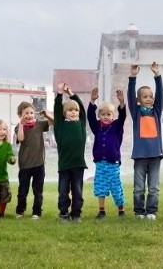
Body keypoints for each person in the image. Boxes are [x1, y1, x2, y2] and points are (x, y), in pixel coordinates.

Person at [127, 62, 163, 220]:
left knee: (154, 187)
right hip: (140, 156)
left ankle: (151, 211)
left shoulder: (156, 111)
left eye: (151, 97)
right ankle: (139, 211)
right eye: (145, 97)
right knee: (138, 188)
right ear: (138, 99)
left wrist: (157, 75)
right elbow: (129, 96)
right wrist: (132, 77)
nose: (149, 99)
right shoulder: (137, 113)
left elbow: (160, 95)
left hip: (155, 155)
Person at [88, 87, 127, 219]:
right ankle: (101, 211)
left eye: (109, 114)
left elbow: (122, 117)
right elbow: (90, 117)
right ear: (99, 115)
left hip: (113, 163)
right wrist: (92, 101)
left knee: (116, 187)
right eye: (103, 114)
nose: (106, 117)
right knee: (100, 187)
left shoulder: (116, 126)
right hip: (100, 163)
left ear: (112, 116)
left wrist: (121, 103)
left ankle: (121, 209)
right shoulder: (97, 127)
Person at [53, 81, 88, 222]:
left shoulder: (81, 124)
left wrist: (71, 94)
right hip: (64, 166)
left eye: (76, 110)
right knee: (63, 192)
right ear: (64, 114)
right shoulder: (60, 126)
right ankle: (63, 213)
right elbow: (56, 109)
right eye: (70, 110)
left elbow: (82, 109)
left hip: (78, 165)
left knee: (78, 193)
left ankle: (76, 214)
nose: (74, 112)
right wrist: (60, 93)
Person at [14, 101, 53, 220]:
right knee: (23, 190)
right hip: (25, 165)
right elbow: (20, 138)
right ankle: (20, 211)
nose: (30, 115)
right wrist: (21, 125)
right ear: (20, 115)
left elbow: (53, 122)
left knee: (38, 191)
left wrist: (46, 115)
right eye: (26, 113)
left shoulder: (39, 124)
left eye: (31, 112)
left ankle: (37, 212)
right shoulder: (18, 127)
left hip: (39, 165)